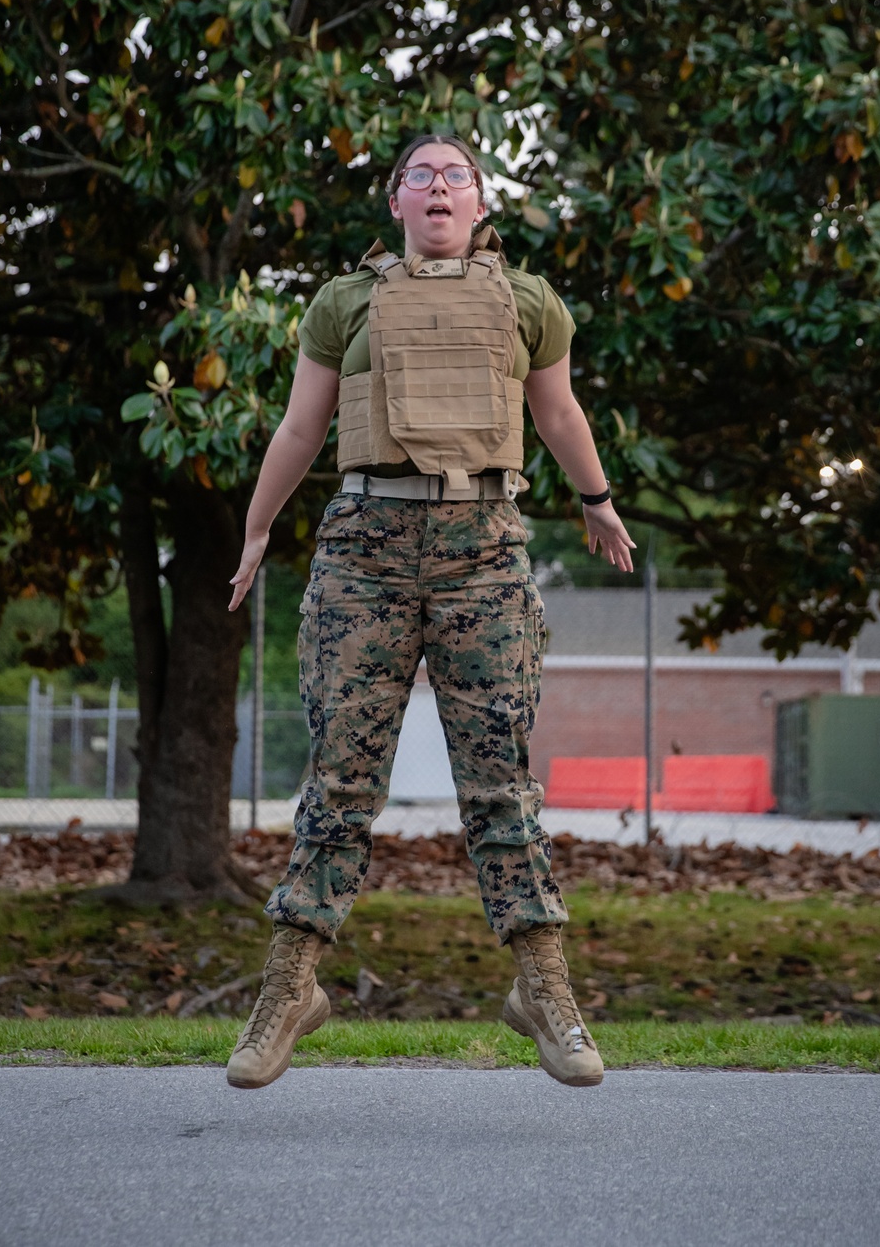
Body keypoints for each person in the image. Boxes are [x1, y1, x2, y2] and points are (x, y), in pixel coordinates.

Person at [225, 134, 635, 1091]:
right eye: (422, 175)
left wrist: (598, 499)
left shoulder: (527, 299)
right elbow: (301, 426)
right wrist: (255, 531)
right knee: (340, 782)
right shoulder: (345, 301)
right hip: (364, 545)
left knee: (499, 784)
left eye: (457, 175)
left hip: (484, 544)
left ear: (481, 201)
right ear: (396, 201)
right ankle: (289, 990)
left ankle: (544, 990)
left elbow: (560, 415)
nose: (440, 186)